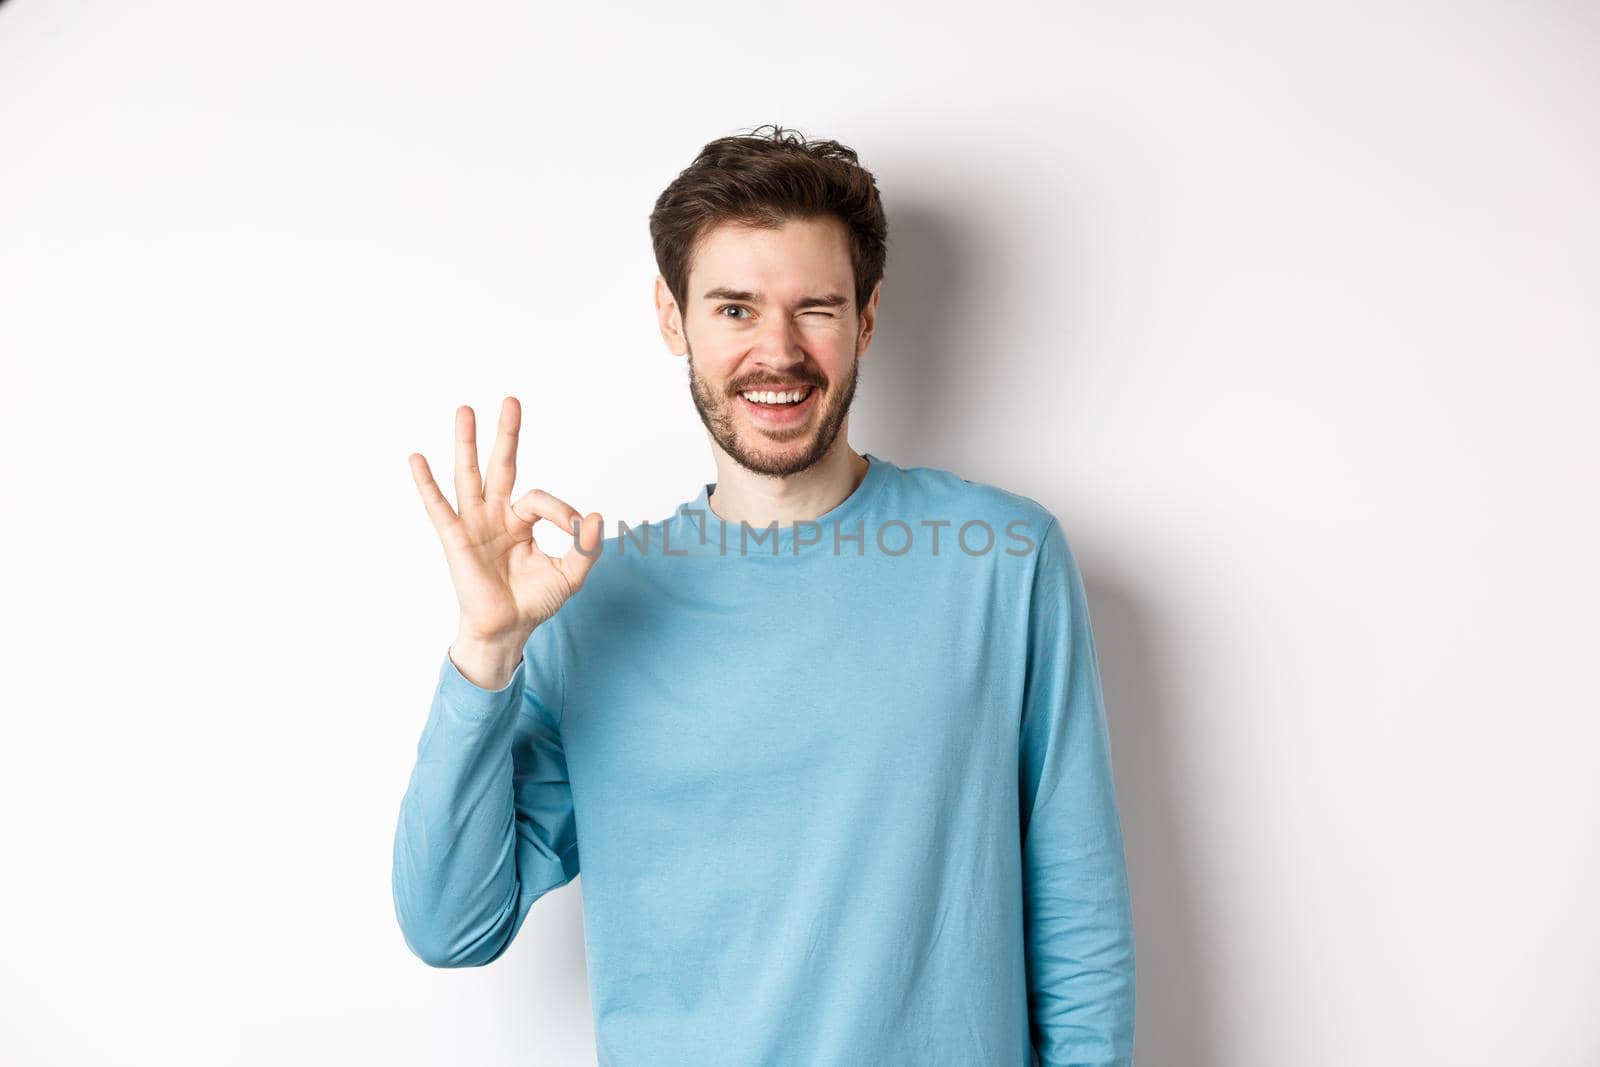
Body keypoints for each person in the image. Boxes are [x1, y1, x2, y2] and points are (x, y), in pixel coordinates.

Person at [391, 124, 1136, 1066]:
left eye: (815, 307)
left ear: (867, 319)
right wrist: (486, 652)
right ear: (674, 319)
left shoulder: (1002, 559)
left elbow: (1078, 914)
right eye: (735, 309)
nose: (776, 351)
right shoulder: (593, 604)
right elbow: (452, 924)